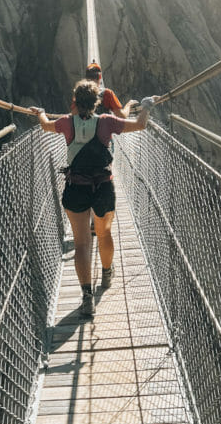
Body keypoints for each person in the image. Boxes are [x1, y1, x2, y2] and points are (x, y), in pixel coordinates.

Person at [30, 80, 156, 319]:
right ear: (97, 102)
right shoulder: (107, 122)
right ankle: (107, 274)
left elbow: (46, 126)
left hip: (76, 187)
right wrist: (147, 105)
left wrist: (42, 114)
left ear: (75, 102)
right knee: (105, 233)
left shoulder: (66, 123)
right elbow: (140, 125)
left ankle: (87, 297)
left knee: (81, 243)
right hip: (103, 186)